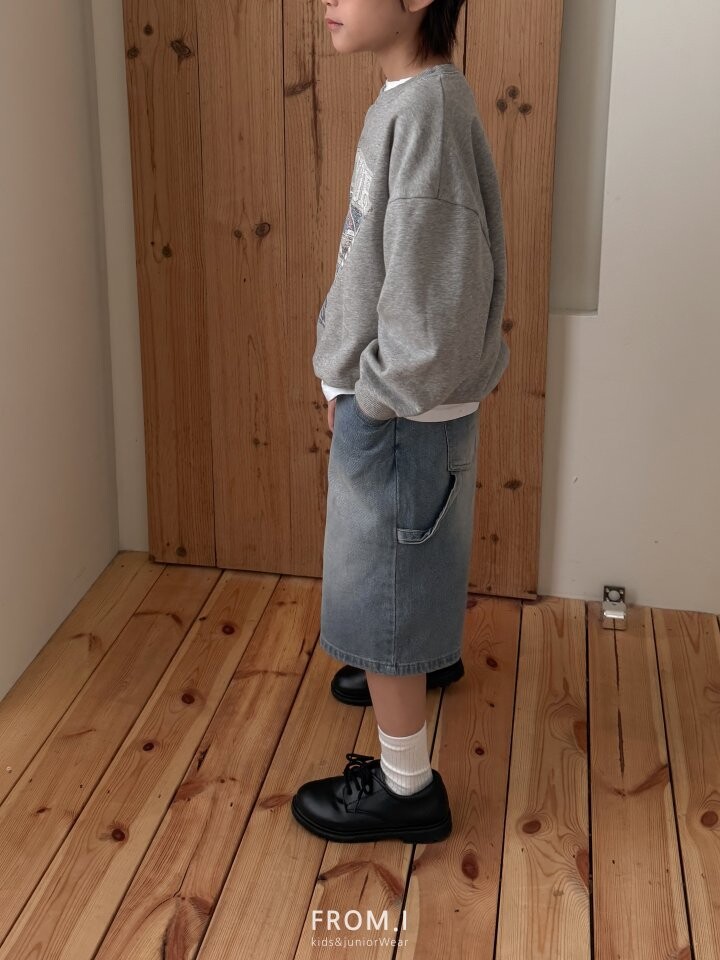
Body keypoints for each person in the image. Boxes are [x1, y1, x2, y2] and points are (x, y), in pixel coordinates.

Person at [291, 0, 510, 844]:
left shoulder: (425, 112)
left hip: (399, 412)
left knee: (381, 577)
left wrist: (368, 396)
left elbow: (434, 305)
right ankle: (412, 655)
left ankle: (405, 786)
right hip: (404, 406)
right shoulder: (413, 100)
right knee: (408, 564)